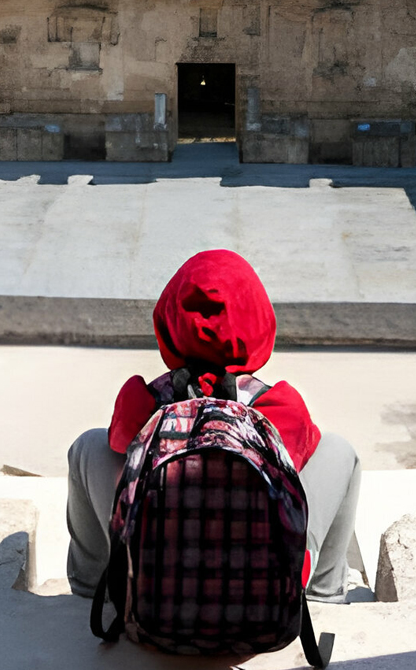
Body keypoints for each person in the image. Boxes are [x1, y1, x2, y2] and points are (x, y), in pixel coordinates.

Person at [65, 248, 361, 603]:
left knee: (89, 445)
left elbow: (118, 445)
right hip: (259, 603)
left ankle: (89, 589)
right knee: (339, 451)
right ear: (259, 322)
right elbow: (298, 468)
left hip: (154, 596)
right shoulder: (278, 407)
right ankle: (322, 595)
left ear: (168, 322)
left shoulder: (142, 403)